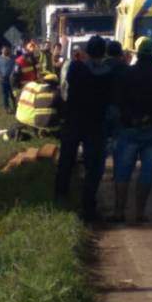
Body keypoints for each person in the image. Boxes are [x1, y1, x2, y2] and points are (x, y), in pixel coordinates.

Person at [111, 38, 152, 224]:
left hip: (129, 129)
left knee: (123, 171)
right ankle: (139, 213)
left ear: (137, 54)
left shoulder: (126, 75)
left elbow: (118, 101)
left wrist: (130, 118)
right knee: (146, 172)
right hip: (151, 131)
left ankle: (119, 212)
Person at [55, 35, 113, 223]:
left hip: (73, 121)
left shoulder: (76, 68)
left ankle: (61, 197)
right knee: (94, 167)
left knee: (66, 160)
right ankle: (88, 205)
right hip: (95, 124)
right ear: (103, 53)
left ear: (87, 51)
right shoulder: (107, 74)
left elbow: (65, 87)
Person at [0, 45, 16, 113]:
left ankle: (16, 106)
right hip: (4, 79)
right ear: (1, 50)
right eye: (4, 50)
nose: (6, 51)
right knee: (5, 94)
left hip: (13, 79)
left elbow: (16, 66)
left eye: (7, 49)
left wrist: (13, 73)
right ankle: (7, 108)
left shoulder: (13, 57)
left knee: (14, 94)